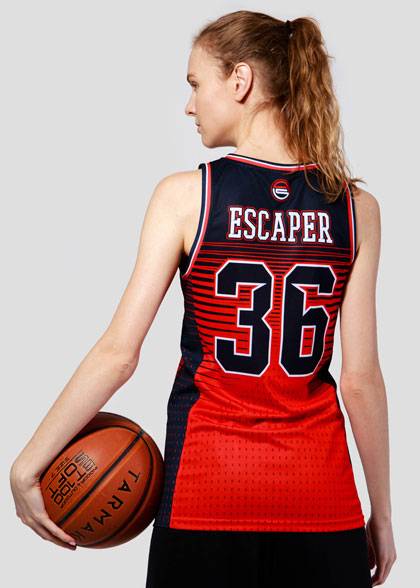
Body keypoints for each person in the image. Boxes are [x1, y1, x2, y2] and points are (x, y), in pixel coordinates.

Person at [9, 9, 396, 588]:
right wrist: (382, 515)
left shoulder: (188, 197)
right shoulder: (355, 209)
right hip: (321, 499)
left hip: (205, 492)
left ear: (240, 81)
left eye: (195, 84)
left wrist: (27, 464)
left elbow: (119, 354)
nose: (189, 106)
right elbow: (361, 380)